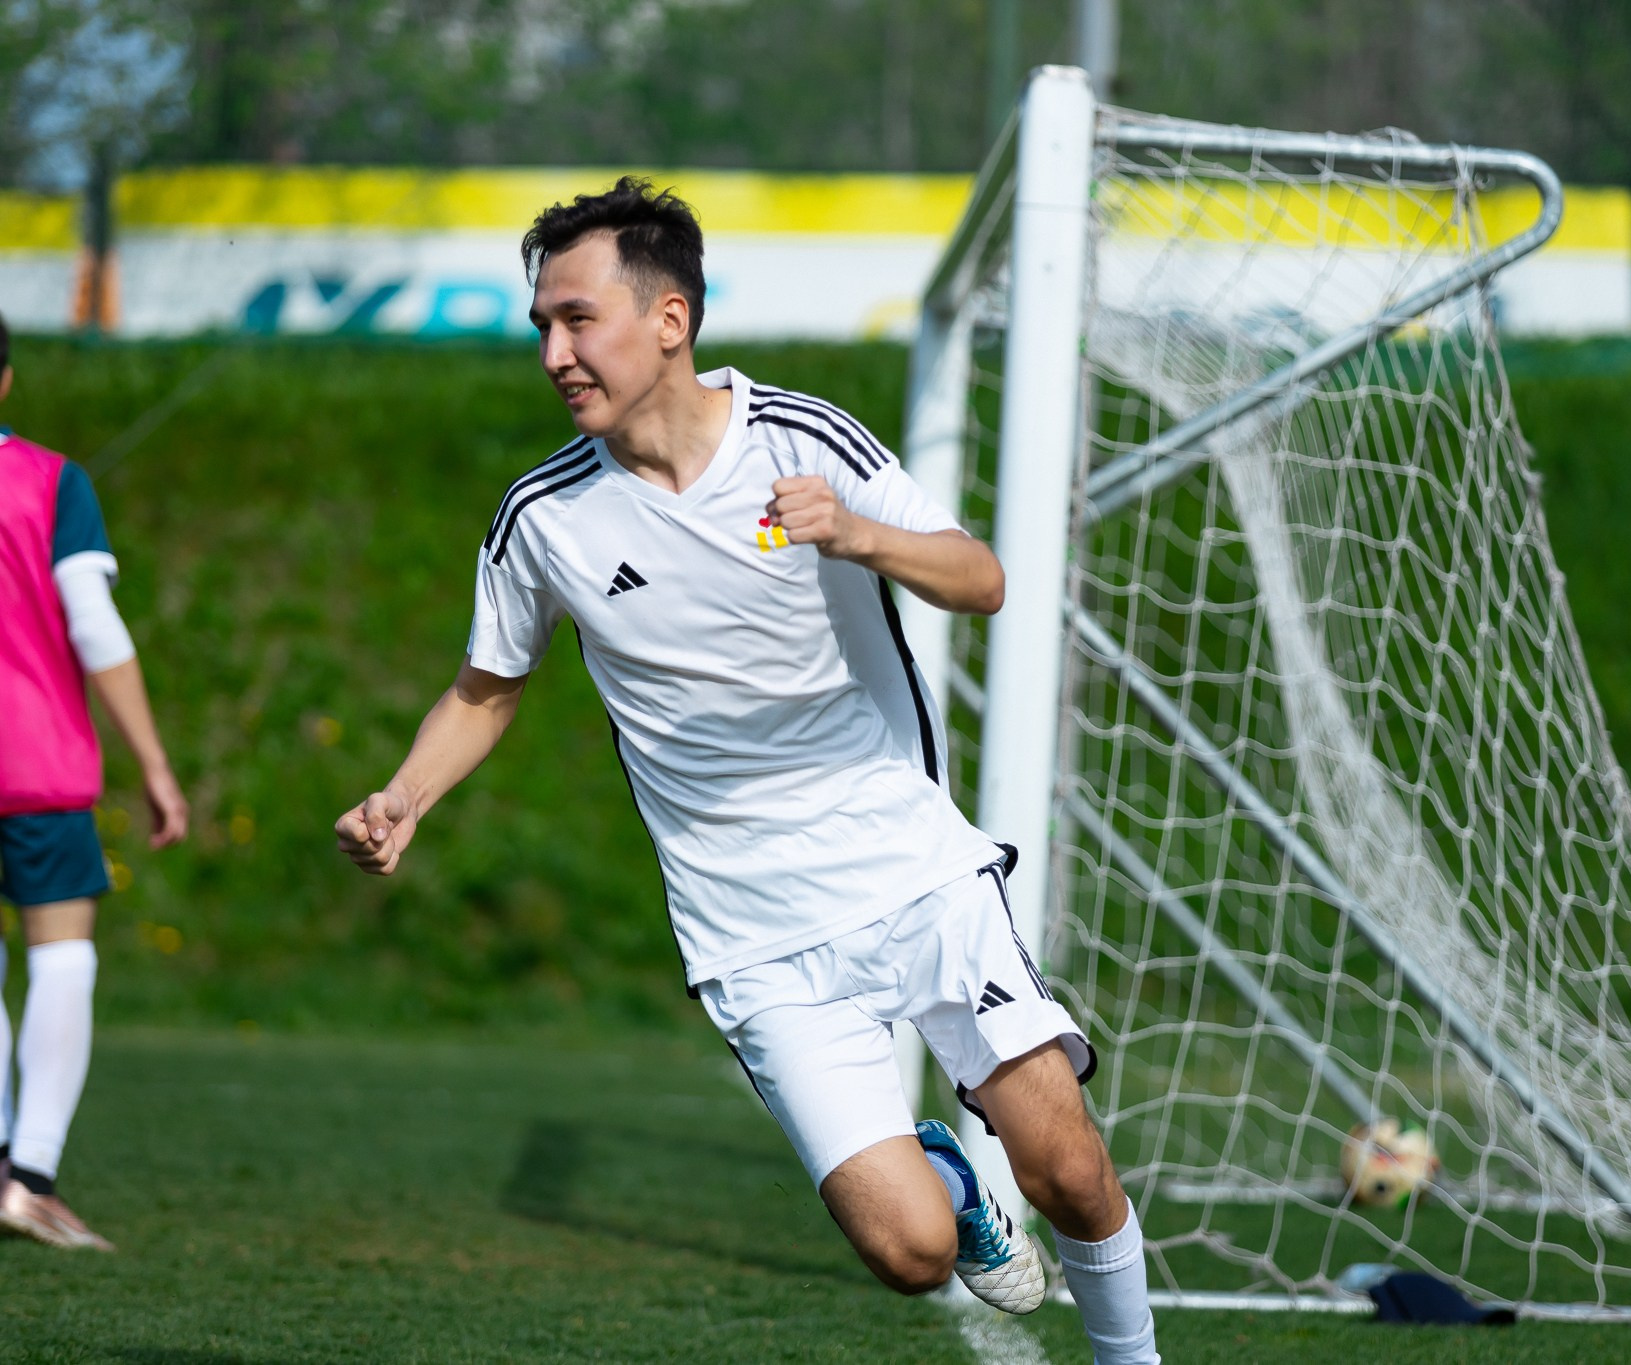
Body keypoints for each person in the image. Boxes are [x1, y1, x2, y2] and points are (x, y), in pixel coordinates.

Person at [334, 178, 1159, 1364]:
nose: (555, 353)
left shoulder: (800, 439)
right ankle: (945, 1176)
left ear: (670, 320)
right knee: (911, 1253)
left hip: (914, 874)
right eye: (541, 329)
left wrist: (856, 532)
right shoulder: (544, 519)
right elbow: (488, 683)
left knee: (1070, 1166)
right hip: (754, 934)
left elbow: (978, 577)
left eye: (578, 320)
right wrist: (404, 797)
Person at [0, 309, 190, 1251]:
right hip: (34, 765)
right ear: (3, 379)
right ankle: (29, 1176)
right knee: (61, 955)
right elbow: (94, 623)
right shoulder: (50, 478)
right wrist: (154, 761)